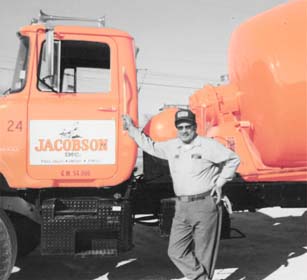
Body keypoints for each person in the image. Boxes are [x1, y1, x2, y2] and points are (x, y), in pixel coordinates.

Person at [122, 109, 240, 280]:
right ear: (177, 129)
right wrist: (131, 129)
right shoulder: (172, 146)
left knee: (203, 253)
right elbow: (149, 145)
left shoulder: (208, 145)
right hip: (182, 207)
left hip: (205, 204)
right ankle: (202, 278)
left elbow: (233, 159)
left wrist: (220, 182)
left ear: (195, 127)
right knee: (175, 251)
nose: (184, 130)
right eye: (181, 127)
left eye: (188, 126)